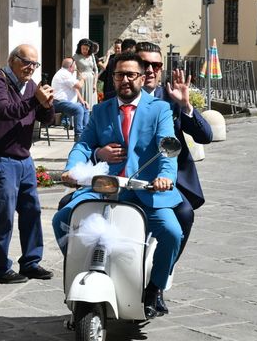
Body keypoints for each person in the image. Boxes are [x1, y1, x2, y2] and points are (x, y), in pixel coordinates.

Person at [52, 52, 183, 319]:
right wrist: (75, 167)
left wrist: (164, 178)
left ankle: (155, 288)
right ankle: (83, 270)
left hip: (145, 190)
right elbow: (83, 145)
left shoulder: (160, 109)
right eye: (119, 74)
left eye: (131, 75)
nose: (125, 80)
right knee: (62, 220)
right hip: (104, 189)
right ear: (113, 78)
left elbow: (167, 150)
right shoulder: (100, 110)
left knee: (171, 232)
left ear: (142, 77)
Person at [129, 41, 213, 314]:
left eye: (157, 65)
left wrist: (186, 105)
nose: (151, 70)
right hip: (133, 180)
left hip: (169, 183)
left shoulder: (172, 98)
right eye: (146, 64)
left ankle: (158, 284)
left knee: (184, 215)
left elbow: (205, 137)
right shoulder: (123, 94)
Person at [0, 44, 55, 283]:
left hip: (24, 160)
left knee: (32, 211)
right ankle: (0, 268)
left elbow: (46, 119)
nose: (30, 68)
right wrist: (35, 101)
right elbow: (4, 110)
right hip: (2, 159)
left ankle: (31, 262)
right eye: (26, 62)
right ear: (12, 59)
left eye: (35, 64)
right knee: (5, 215)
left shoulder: (31, 86)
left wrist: (47, 103)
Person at [51, 58, 90, 141]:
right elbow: (79, 85)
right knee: (78, 109)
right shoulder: (64, 74)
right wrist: (83, 79)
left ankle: (86, 132)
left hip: (66, 103)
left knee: (84, 107)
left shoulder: (68, 74)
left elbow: (75, 88)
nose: (76, 66)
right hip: (58, 102)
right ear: (71, 66)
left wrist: (82, 101)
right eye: (74, 65)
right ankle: (78, 135)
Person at [73, 39, 98, 110]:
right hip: (82, 81)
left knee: (92, 103)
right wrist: (79, 75)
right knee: (82, 103)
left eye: (87, 49)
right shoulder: (76, 56)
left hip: (91, 81)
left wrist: (95, 84)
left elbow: (96, 70)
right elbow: (72, 69)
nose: (85, 50)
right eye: (83, 48)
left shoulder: (92, 55)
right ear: (80, 47)